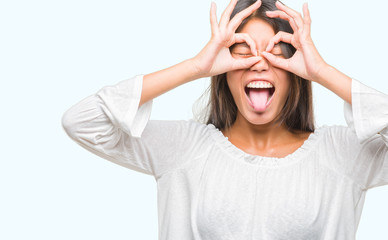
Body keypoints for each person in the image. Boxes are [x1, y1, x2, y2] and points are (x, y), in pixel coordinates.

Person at [61, 0, 388, 239]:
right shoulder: (183, 149)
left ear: (295, 73)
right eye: (243, 52)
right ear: (224, 72)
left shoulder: (344, 155)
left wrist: (323, 73)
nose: (260, 64)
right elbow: (83, 121)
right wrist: (195, 66)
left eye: (276, 53)